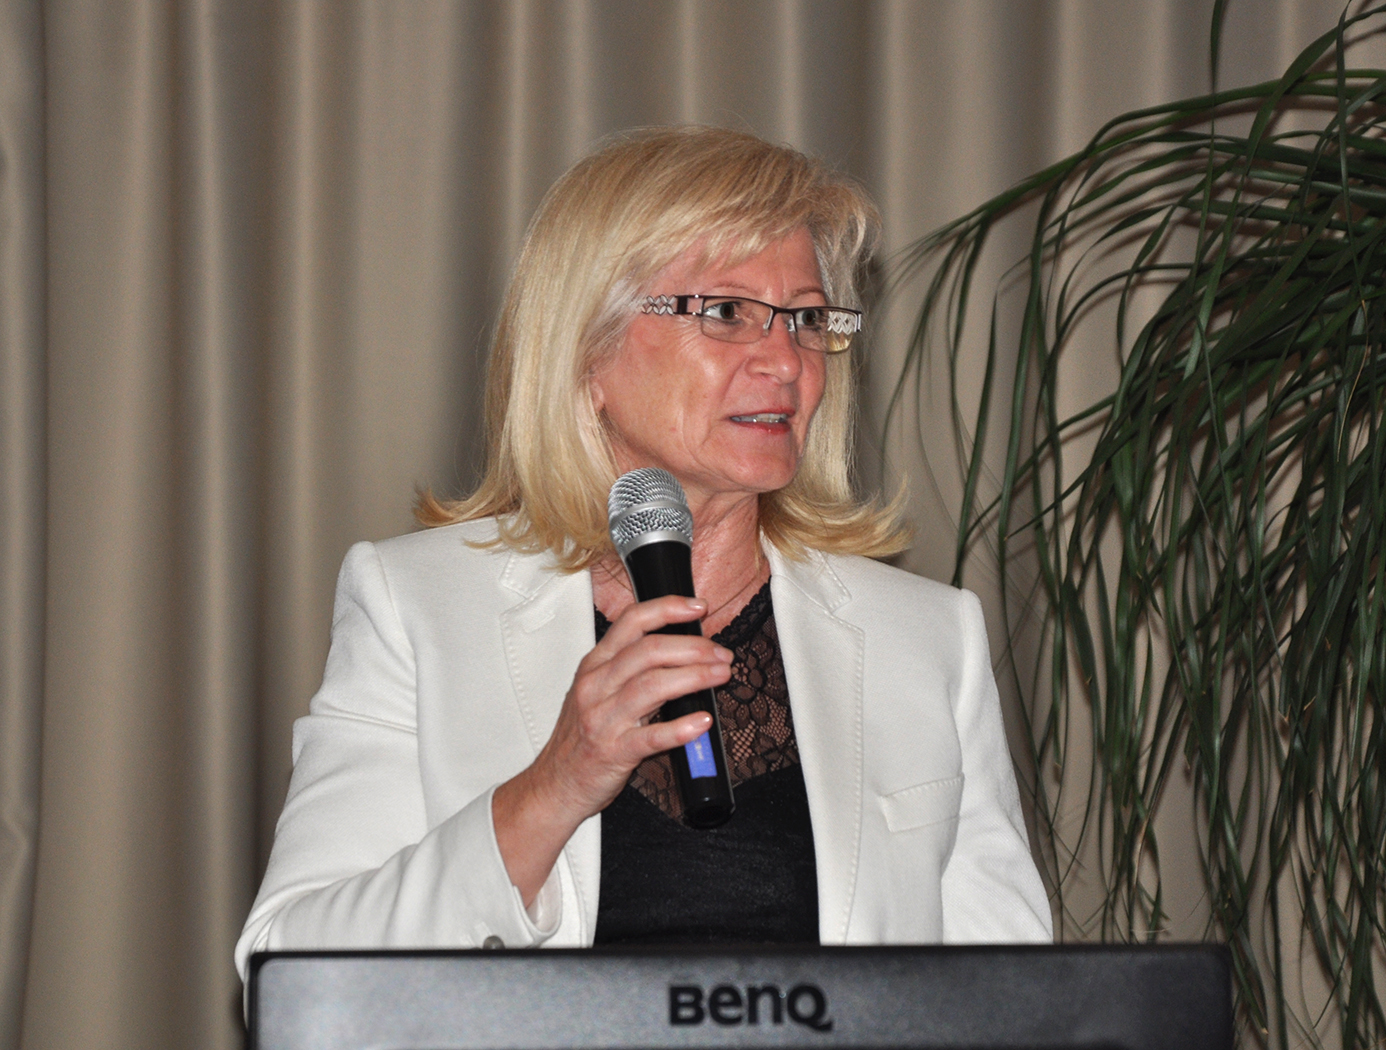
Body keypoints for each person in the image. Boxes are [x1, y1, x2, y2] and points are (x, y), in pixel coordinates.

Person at [235, 126, 1051, 971]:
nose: (785, 361)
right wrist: (552, 787)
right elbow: (291, 970)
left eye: (808, 319)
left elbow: (1016, 997)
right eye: (726, 313)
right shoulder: (417, 608)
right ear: (588, 351)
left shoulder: (926, 636)